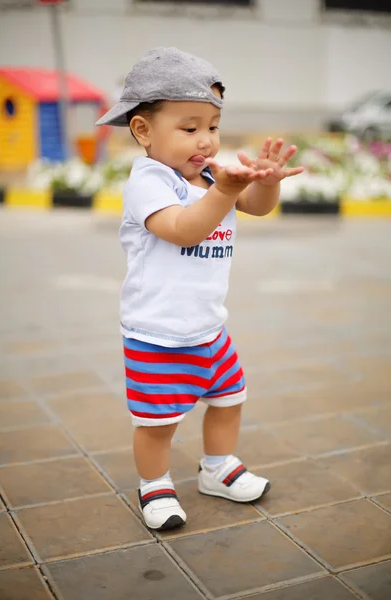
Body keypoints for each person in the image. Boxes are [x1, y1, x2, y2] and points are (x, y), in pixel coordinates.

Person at [97, 47, 303, 530]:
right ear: (143, 129)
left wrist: (267, 182)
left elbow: (256, 205)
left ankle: (217, 467)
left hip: (209, 327)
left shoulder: (209, 174)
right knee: (157, 422)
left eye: (212, 126)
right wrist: (225, 190)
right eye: (189, 128)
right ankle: (154, 485)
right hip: (157, 333)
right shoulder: (149, 181)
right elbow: (184, 228)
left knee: (230, 400)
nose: (206, 140)